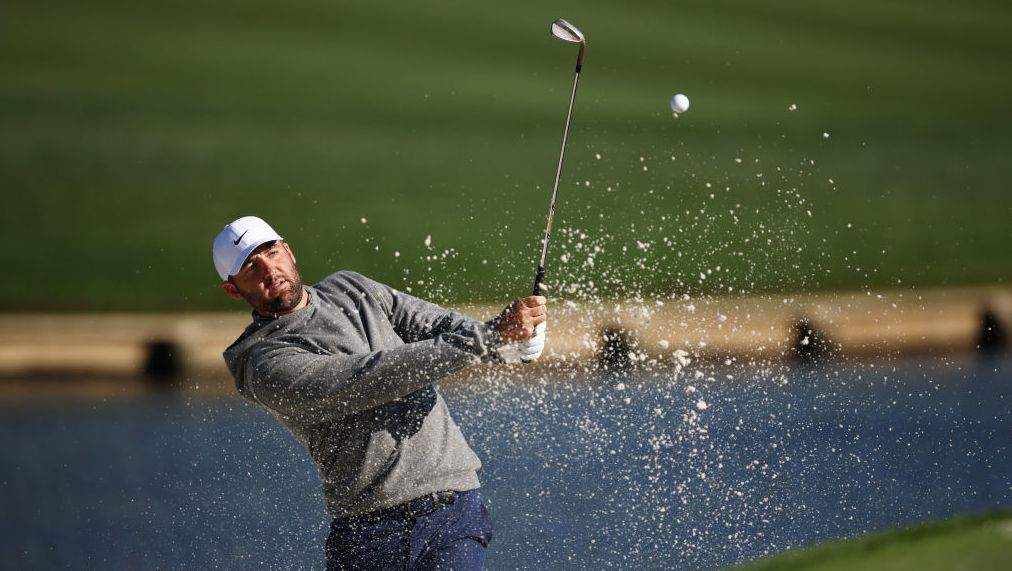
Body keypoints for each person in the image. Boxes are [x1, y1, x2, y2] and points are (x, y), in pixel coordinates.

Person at [212, 215, 547, 570]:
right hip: (371, 535)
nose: (269, 270)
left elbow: (436, 324)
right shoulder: (265, 363)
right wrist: (490, 336)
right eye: (251, 266)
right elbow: (372, 378)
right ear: (234, 289)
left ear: (289, 252)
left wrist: (510, 344)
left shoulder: (351, 288)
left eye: (271, 252)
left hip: (454, 509)